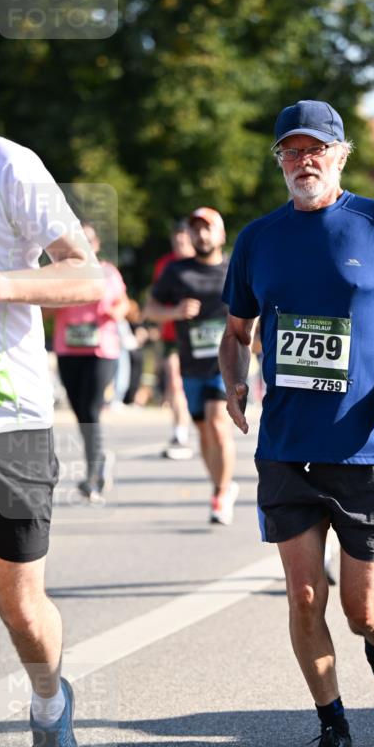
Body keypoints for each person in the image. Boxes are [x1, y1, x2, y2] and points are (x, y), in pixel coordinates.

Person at [220, 100, 374, 747]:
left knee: (360, 608)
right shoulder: (258, 239)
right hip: (286, 446)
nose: (303, 161)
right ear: (279, 162)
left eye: (315, 149)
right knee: (301, 596)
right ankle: (332, 730)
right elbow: (236, 333)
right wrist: (233, 380)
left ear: (340, 155)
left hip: (366, 447)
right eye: (290, 152)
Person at [0, 54, 104, 747]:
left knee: (19, 605)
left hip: (4, 417)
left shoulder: (5, 165)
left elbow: (86, 274)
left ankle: (49, 703)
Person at [146, 207, 238, 525]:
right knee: (203, 431)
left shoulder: (234, 269)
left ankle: (222, 493)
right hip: (191, 363)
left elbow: (256, 309)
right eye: (195, 229)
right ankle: (220, 485)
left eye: (207, 228)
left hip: (226, 363)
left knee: (217, 423)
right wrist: (175, 312)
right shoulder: (176, 272)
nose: (201, 234)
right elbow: (150, 309)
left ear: (221, 234)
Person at [52, 222, 129, 503]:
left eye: (89, 240)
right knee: (80, 411)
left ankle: (93, 476)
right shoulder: (59, 274)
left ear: (95, 245)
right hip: (68, 349)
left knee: (92, 407)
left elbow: (124, 304)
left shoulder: (108, 272)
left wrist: (113, 310)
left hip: (101, 350)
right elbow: (46, 308)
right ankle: (98, 462)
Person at [151, 220, 194, 459]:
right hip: (171, 334)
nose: (180, 245)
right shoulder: (164, 266)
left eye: (184, 241)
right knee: (174, 383)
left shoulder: (204, 262)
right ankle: (180, 432)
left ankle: (203, 425)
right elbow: (155, 302)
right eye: (176, 241)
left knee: (198, 389)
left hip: (202, 339)